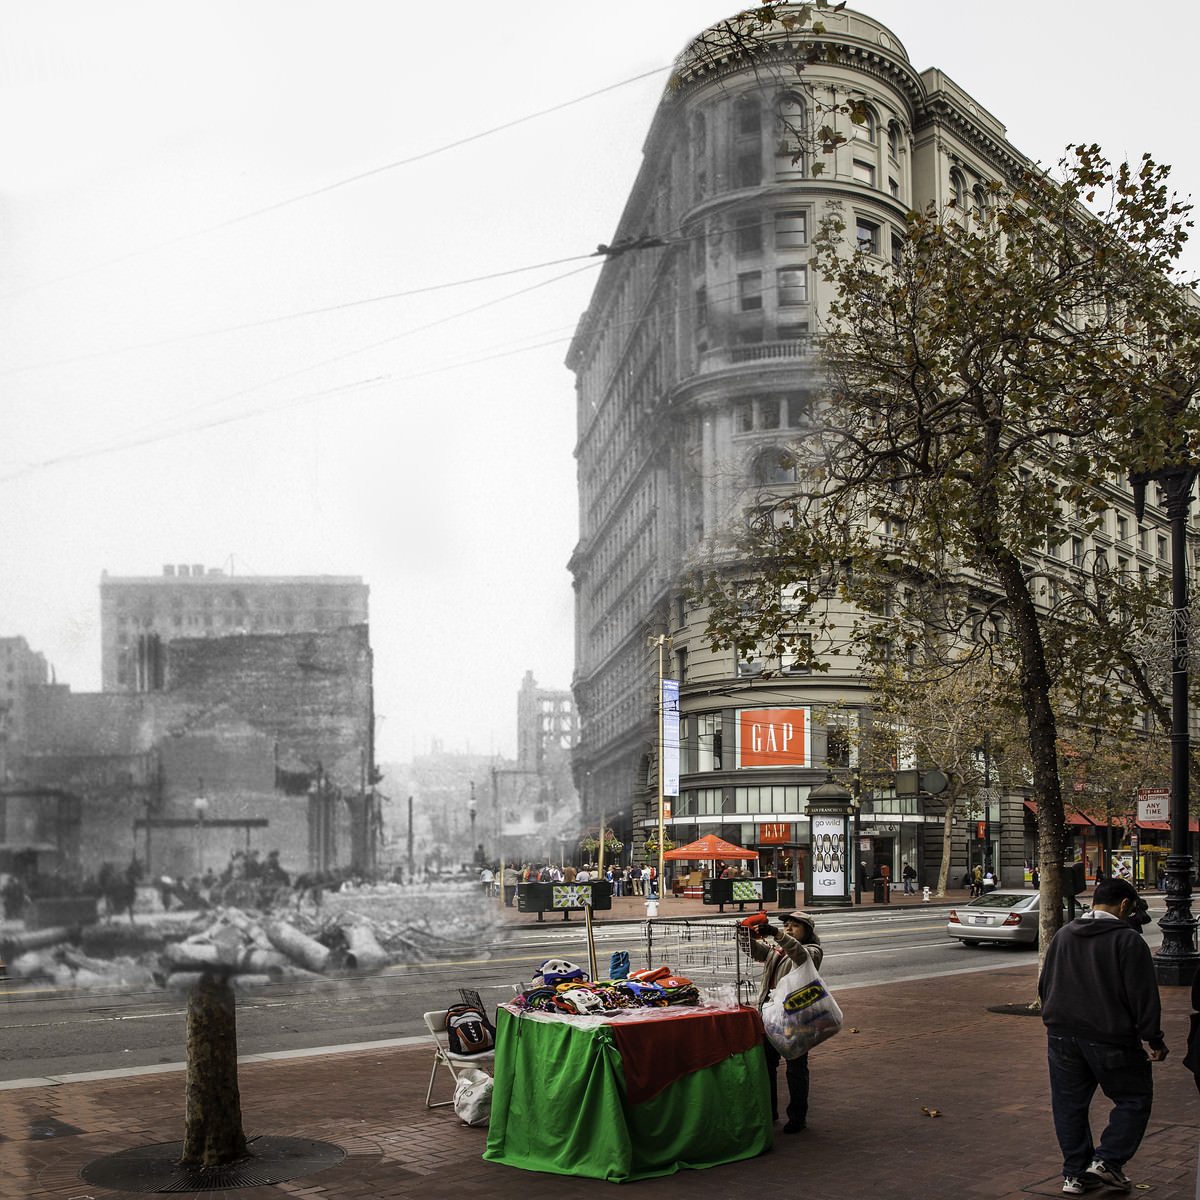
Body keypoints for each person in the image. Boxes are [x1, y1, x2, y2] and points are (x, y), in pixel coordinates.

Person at [1039, 877, 1168, 1195]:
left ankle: (1074, 1174)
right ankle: (1107, 1161)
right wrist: (1153, 1037)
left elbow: (1045, 984)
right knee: (1134, 1099)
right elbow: (1143, 995)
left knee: (1069, 1106)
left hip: (1061, 1035)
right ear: (1125, 905)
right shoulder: (1128, 940)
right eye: (1133, 908)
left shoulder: (1064, 935)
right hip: (1110, 1036)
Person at [747, 910, 822, 1133]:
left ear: (807, 931)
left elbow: (798, 954)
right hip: (770, 1016)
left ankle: (797, 1117)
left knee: (796, 1069)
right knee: (767, 1066)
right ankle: (770, 1111)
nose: (789, 928)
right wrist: (743, 933)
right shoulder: (777, 952)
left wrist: (777, 934)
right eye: (786, 925)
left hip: (795, 1018)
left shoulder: (812, 951)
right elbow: (753, 950)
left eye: (794, 926)